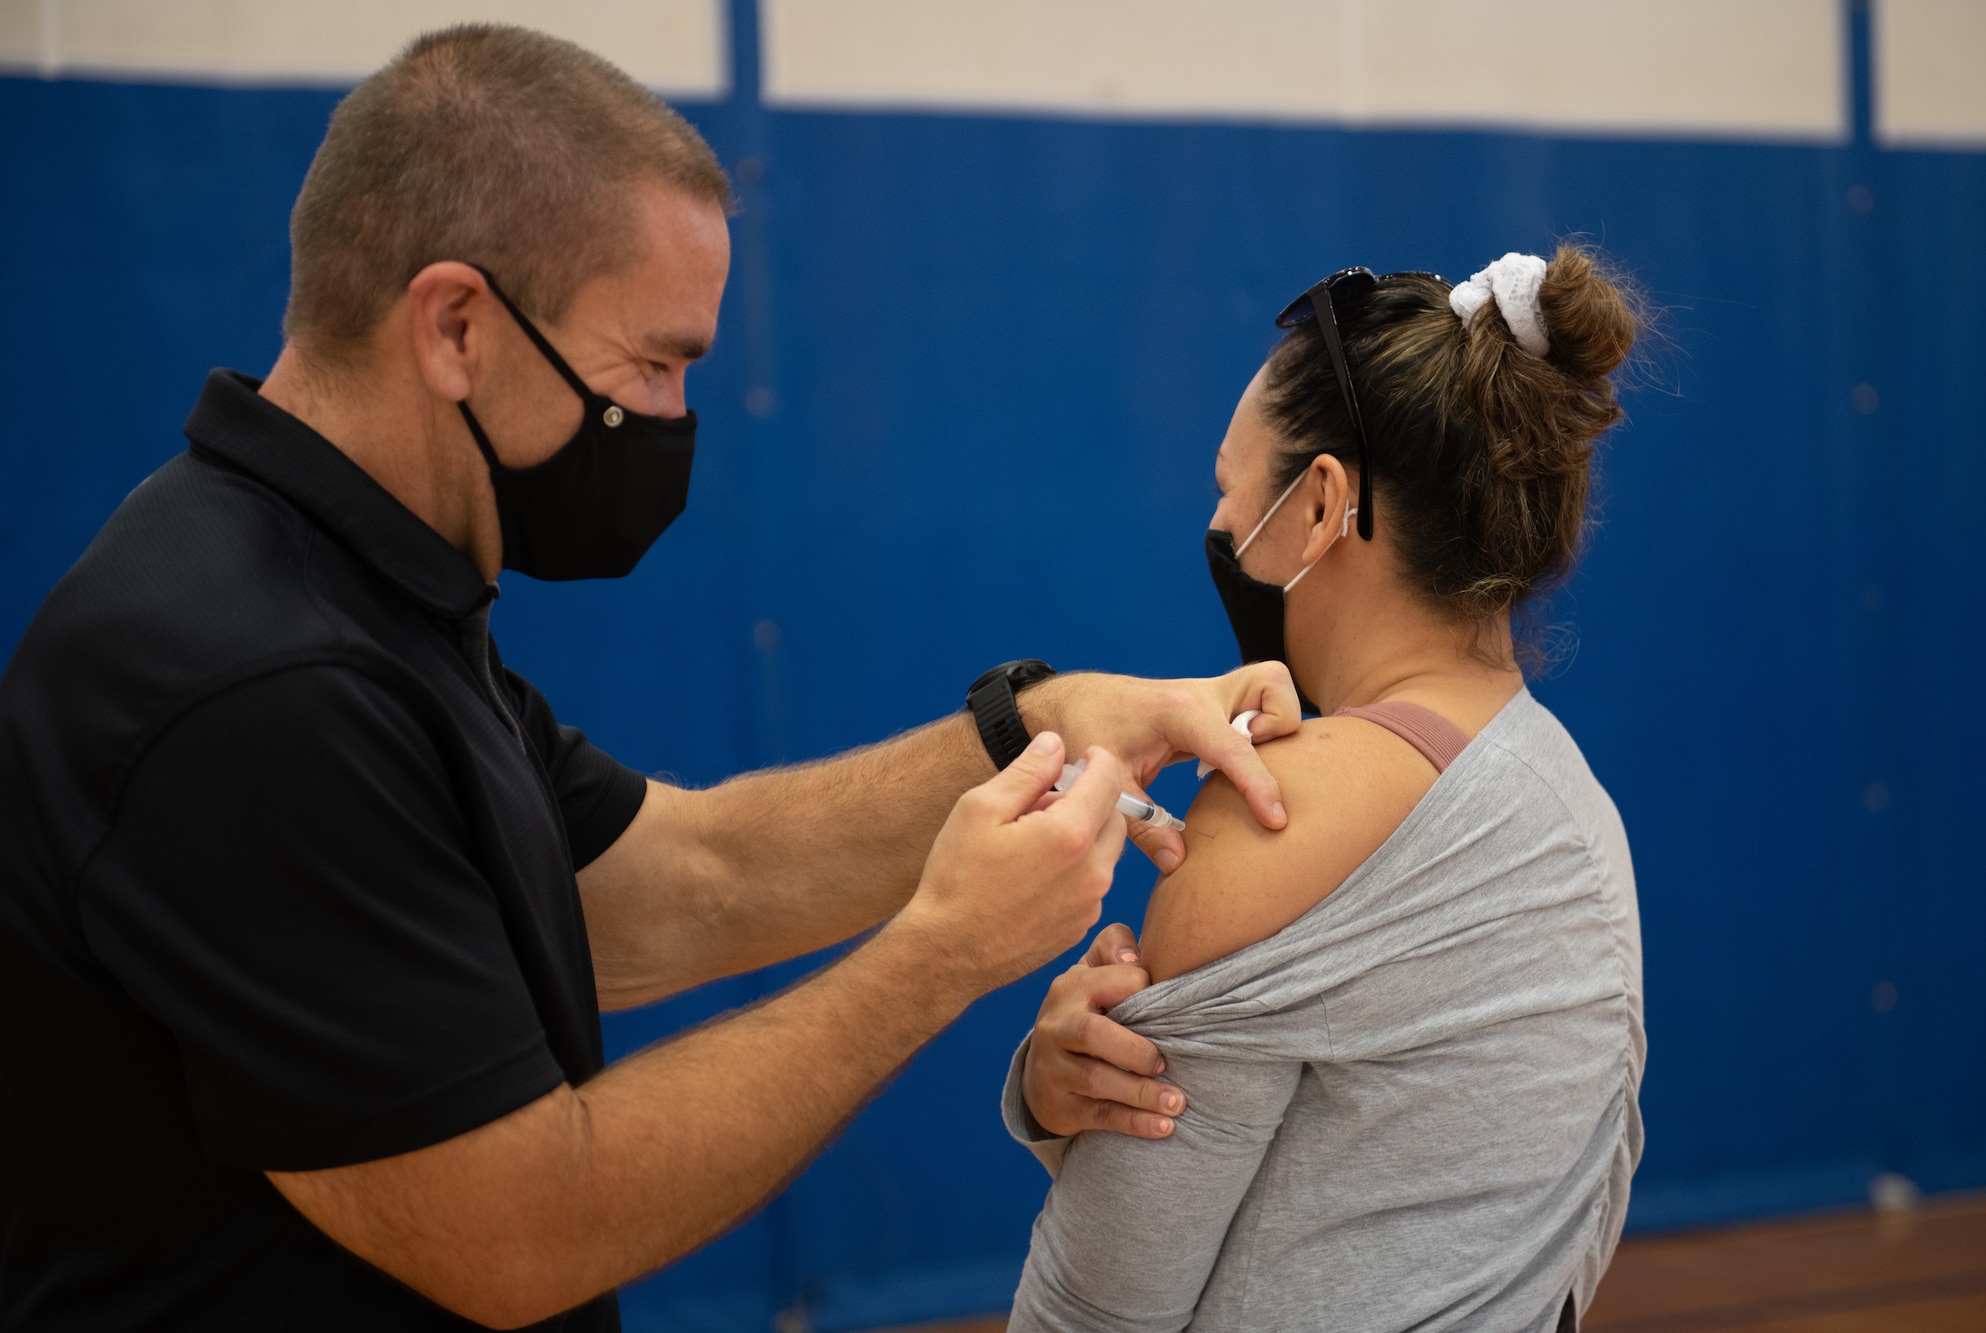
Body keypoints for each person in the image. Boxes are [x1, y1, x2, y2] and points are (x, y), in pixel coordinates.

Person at [0, 26, 1304, 1332]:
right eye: (653, 366)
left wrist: (1038, 722)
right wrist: (944, 954)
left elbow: (681, 881)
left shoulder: (367, 590)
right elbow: (522, 1232)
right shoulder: (254, 682)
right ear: (456, 324)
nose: (676, 419)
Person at [1004, 251, 1647, 1331]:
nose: (1215, 525)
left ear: (1319, 505)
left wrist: (1045, 1104)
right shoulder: (1567, 797)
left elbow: (1097, 1307)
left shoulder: (1271, 809)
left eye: (1227, 487)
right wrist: (1053, 1091)